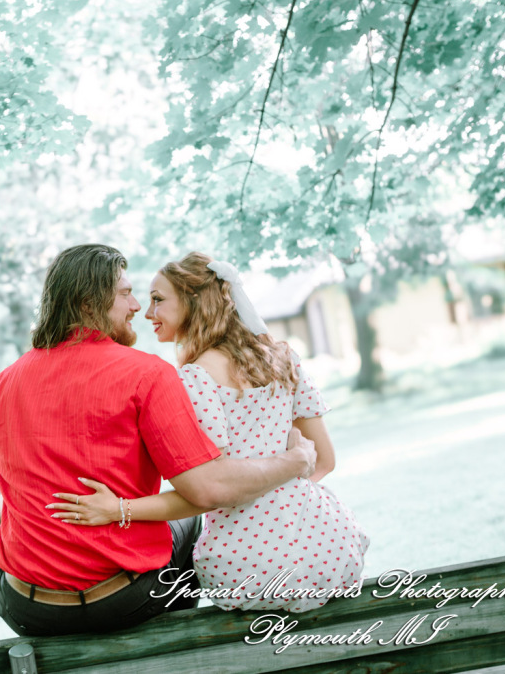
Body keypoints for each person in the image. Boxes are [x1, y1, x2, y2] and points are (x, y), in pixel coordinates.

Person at [0, 244, 317, 636]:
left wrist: (46, 515)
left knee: (5, 535)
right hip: (124, 600)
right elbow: (206, 490)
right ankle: (174, 640)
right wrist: (294, 461)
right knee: (190, 522)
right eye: (125, 294)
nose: (136, 306)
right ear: (88, 304)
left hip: (29, 610)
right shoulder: (147, 374)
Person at [49, 252, 369, 613]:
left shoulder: (194, 378)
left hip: (248, 561)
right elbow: (323, 461)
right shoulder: (283, 358)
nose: (147, 312)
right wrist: (287, 482)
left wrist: (118, 509)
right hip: (326, 545)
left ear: (193, 300)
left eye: (158, 299)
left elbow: (211, 490)